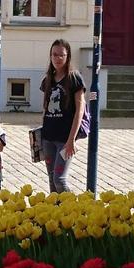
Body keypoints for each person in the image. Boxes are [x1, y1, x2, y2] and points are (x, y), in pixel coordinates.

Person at [40, 38, 87, 193]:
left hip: (65, 139)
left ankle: (75, 209)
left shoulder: (74, 78)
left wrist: (72, 140)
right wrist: (40, 136)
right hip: (48, 138)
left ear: (68, 57)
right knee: (52, 181)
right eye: (54, 55)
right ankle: (56, 214)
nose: (58, 58)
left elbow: (80, 109)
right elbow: (45, 109)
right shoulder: (47, 80)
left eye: (61, 55)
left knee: (59, 179)